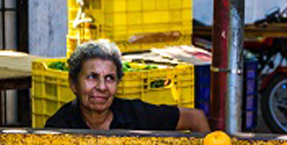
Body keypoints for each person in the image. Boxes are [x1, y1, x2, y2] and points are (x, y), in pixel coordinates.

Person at [45, 40, 211, 132]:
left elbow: (195, 118)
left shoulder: (135, 114)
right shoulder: (59, 127)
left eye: (110, 78)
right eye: (92, 77)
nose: (102, 87)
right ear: (73, 84)